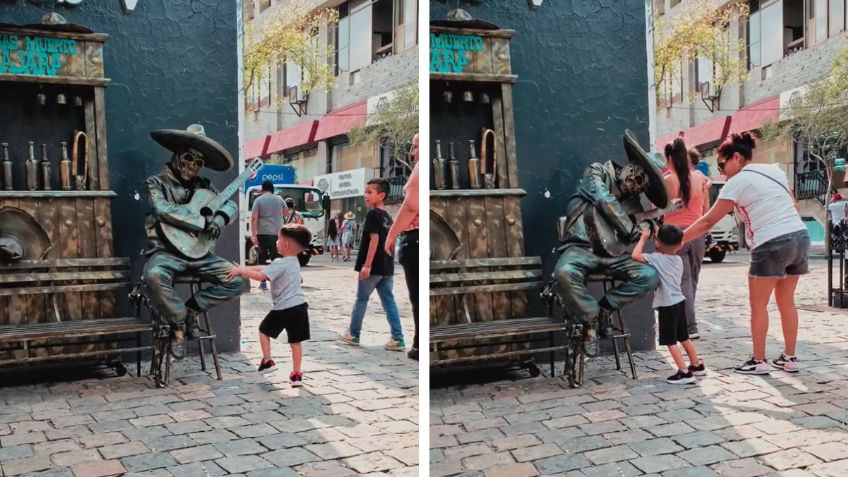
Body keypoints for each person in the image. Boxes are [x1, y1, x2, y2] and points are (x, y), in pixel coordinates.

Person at [682, 132, 809, 375]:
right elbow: (793, 205)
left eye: (722, 164)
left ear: (737, 157)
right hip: (799, 236)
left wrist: (676, 240)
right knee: (786, 301)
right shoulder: (776, 171)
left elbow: (708, 222)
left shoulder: (737, 182)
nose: (722, 172)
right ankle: (790, 358)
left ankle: (759, 360)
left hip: (771, 241)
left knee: (758, 305)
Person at [552, 130, 667, 354]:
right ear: (630, 165)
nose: (637, 184)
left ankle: (605, 308)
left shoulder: (634, 204)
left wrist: (648, 227)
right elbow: (605, 201)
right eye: (638, 175)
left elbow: (637, 233)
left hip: (611, 258)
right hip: (581, 250)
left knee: (649, 276)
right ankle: (592, 318)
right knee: (563, 272)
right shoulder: (597, 172)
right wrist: (630, 227)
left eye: (644, 184)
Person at [142, 124, 250, 359]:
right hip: (166, 252)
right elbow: (163, 208)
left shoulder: (205, 185)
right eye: (189, 157)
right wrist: (201, 223)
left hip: (201, 254)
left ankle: (191, 311)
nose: (193, 166)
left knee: (240, 281)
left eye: (199, 162)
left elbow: (228, 203)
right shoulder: (156, 183)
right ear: (177, 155)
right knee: (153, 276)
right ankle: (179, 324)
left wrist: (220, 220)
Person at [227, 224, 312, 386]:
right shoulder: (293, 262)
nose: (276, 242)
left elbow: (261, 276)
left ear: (285, 245)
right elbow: (266, 268)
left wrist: (241, 272)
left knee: (264, 330)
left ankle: (268, 361)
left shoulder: (280, 263)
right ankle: (296, 375)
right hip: (300, 307)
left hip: (283, 308)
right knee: (296, 342)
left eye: (279, 239)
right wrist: (246, 267)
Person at [632, 225, 706, 384]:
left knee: (670, 340)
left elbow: (635, 255)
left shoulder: (656, 258)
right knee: (684, 337)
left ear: (657, 243)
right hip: (679, 302)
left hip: (667, 305)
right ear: (680, 245)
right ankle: (697, 365)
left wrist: (643, 238)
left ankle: (684, 372)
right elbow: (665, 245)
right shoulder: (678, 259)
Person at [340, 179, 405, 351]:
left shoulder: (372, 214)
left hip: (373, 267)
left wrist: (367, 265)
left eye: (370, 192)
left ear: (381, 195)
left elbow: (374, 242)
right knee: (389, 302)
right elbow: (391, 241)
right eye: (365, 191)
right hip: (386, 267)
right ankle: (398, 338)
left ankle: (353, 334)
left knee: (361, 299)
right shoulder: (387, 217)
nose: (366, 195)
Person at [663, 138, 710, 339]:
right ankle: (689, 323)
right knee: (692, 280)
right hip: (697, 233)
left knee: (682, 282)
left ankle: (689, 327)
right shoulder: (700, 178)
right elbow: (706, 209)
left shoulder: (668, 180)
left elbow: (659, 209)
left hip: (675, 235)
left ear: (671, 159)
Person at [385, 134, 420, 360]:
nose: (414, 151)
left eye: (417, 146)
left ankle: (419, 344)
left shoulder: (420, 168)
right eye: (413, 147)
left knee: (417, 294)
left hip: (415, 238)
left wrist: (391, 235)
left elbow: (409, 207)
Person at [252, 180, 288, 291]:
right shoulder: (280, 199)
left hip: (262, 234)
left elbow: (254, 219)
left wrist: (254, 235)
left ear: (263, 189)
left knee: (262, 258)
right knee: (277, 258)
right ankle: (278, 283)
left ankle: (263, 283)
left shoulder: (258, 200)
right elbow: (286, 213)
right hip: (277, 234)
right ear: (272, 189)